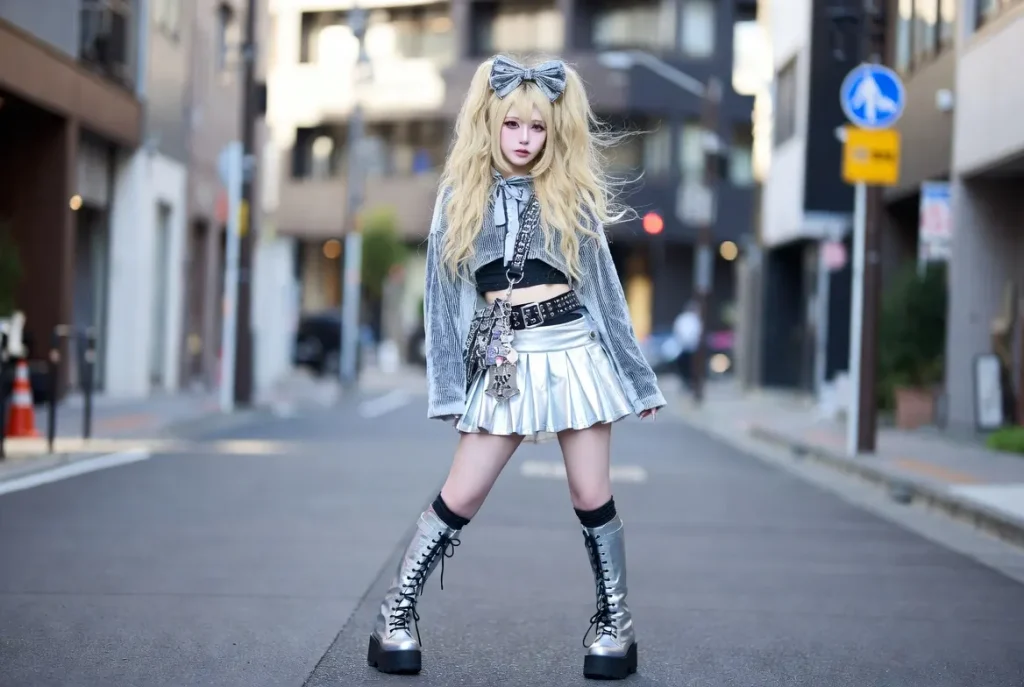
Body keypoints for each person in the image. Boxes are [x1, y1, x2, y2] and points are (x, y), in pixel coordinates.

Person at [366, 55, 666, 681]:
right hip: (504, 354)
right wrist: (448, 389)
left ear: (554, 132)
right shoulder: (459, 198)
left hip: (574, 348)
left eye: (537, 128)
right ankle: (395, 614)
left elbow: (605, 293)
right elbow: (444, 301)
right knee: (463, 491)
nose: (525, 139)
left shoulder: (571, 195)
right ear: (489, 124)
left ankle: (617, 626)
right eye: (512, 125)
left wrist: (637, 379)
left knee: (591, 492)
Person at [672, 300, 702, 390]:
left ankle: (687, 382)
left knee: (685, 367)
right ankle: (689, 382)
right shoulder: (693, 319)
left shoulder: (682, 318)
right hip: (690, 347)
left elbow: (678, 331)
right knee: (690, 367)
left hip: (684, 347)